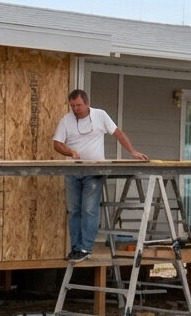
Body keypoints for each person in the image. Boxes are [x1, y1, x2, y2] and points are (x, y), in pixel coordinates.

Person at [53, 89, 148, 261]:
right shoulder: (66, 120)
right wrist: (70, 152)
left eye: (79, 105)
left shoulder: (100, 115)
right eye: (73, 106)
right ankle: (76, 248)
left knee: (89, 209)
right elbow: (57, 144)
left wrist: (132, 151)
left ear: (87, 103)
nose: (76, 109)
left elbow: (117, 133)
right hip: (74, 170)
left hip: (94, 171)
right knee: (74, 210)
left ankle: (85, 248)